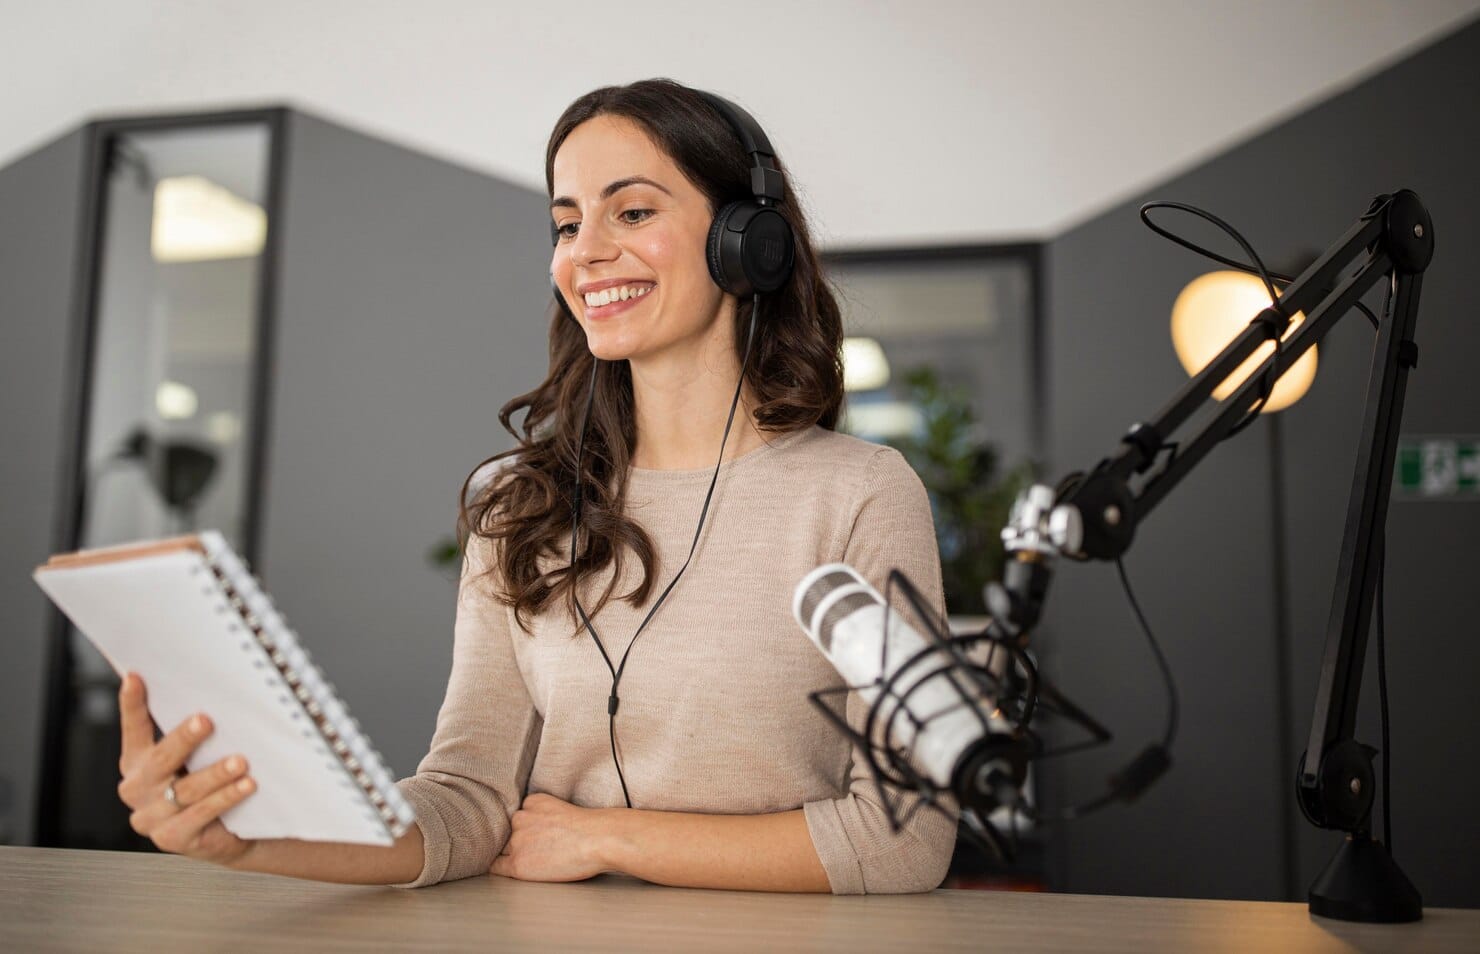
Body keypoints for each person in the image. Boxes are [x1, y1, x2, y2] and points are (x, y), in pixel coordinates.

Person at [113, 79, 957, 894]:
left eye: (631, 212)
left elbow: (903, 837)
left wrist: (605, 837)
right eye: (565, 223)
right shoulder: (521, 504)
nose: (585, 251)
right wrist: (265, 833)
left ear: (746, 242)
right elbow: (468, 797)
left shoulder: (859, 495)